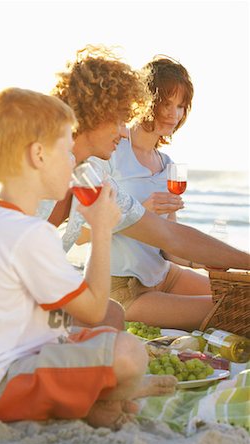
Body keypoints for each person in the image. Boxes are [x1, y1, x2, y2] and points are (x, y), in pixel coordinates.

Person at [0, 87, 177, 429]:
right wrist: (101, 229)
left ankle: (94, 404)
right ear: (38, 155)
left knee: (103, 331)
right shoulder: (28, 232)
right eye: (68, 152)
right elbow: (93, 308)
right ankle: (103, 398)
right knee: (129, 352)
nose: (74, 163)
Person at [0, 45, 249, 279]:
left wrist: (246, 261)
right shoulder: (12, 146)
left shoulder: (92, 179)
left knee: (111, 318)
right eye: (120, 119)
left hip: (20, 304)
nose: (124, 131)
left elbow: (171, 236)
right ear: (95, 112)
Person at [79, 56, 212, 330]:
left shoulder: (168, 167)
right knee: (221, 312)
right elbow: (79, 234)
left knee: (238, 297)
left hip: (165, 275)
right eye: (166, 103)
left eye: (181, 106)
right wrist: (141, 211)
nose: (174, 114)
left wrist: (211, 264)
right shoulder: (111, 151)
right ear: (145, 100)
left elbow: (171, 245)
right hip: (124, 290)